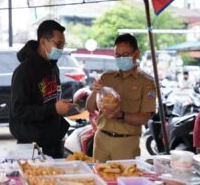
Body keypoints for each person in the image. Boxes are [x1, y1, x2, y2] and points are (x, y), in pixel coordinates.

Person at [9, 20, 77, 158]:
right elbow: (18, 110)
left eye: (63, 44)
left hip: (53, 142)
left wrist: (61, 107)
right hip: (32, 147)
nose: (62, 49)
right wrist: (54, 109)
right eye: (58, 44)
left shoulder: (53, 67)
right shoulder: (24, 72)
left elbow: (49, 100)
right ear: (43, 42)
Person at [86, 33, 156, 162]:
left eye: (125, 55)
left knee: (123, 179)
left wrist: (121, 115)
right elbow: (90, 107)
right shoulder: (106, 77)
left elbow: (144, 118)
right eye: (117, 55)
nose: (121, 58)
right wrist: (95, 91)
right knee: (99, 179)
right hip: (101, 138)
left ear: (136, 54)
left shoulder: (147, 82)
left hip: (126, 143)